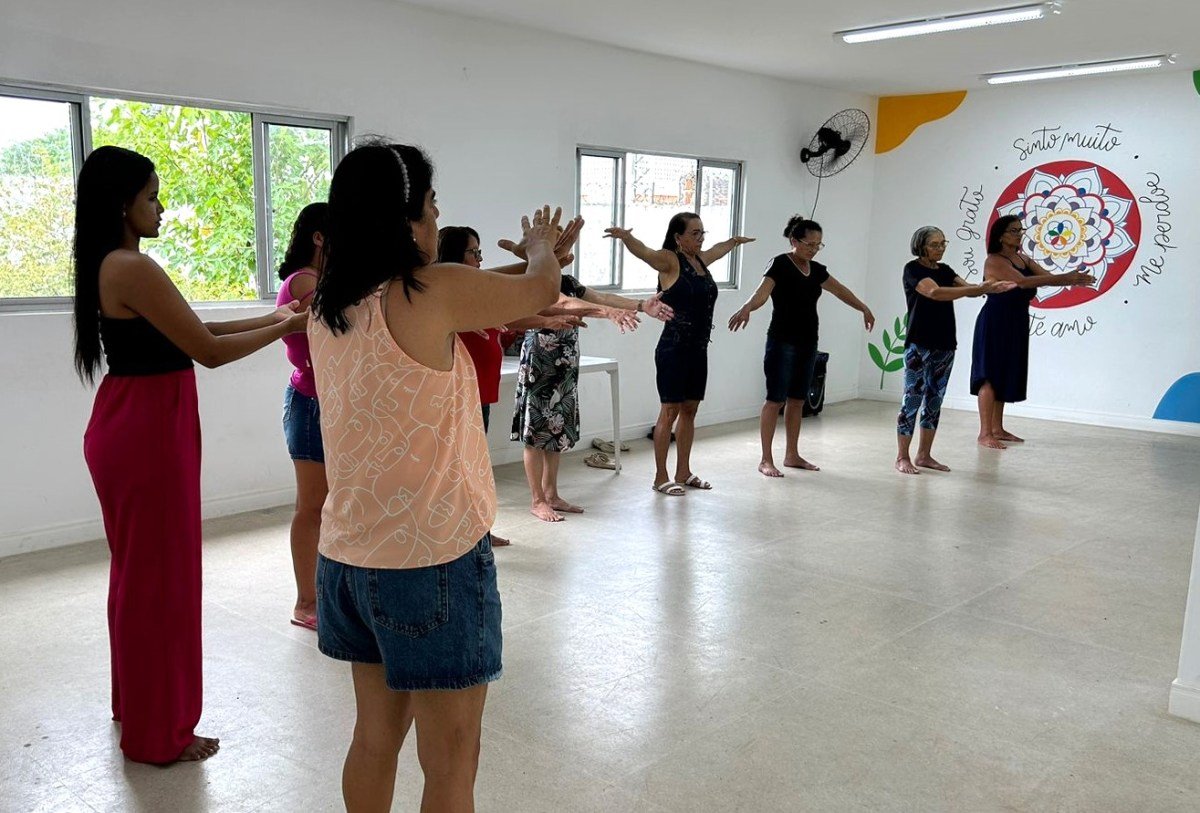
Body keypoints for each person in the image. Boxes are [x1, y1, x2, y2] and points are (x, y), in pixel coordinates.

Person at [308, 141, 580, 812]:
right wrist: (541, 248)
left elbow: (508, 298)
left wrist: (531, 265)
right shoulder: (429, 290)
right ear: (403, 220)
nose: (436, 221)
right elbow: (541, 288)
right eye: (431, 206)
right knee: (452, 762)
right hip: (429, 560)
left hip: (348, 558)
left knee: (375, 739)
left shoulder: (329, 304)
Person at [74, 146, 307, 764]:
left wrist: (274, 315)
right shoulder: (130, 266)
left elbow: (192, 330)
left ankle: (139, 709)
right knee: (159, 584)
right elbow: (207, 350)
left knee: (140, 578)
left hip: (139, 423)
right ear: (123, 202)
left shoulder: (120, 264)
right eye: (152, 195)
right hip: (146, 432)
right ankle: (158, 733)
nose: (161, 207)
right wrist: (285, 328)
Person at [436, 225, 588, 539]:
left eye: (480, 253)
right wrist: (541, 257)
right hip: (460, 392)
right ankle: (469, 532)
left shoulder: (476, 290)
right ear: (454, 255)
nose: (479, 259)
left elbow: (508, 315)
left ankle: (478, 529)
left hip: (481, 392)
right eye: (472, 252)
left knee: (475, 462)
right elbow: (513, 302)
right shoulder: (453, 290)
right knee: (460, 465)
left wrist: (545, 314)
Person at [509, 265, 672, 522]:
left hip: (564, 362)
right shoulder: (534, 282)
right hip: (540, 362)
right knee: (535, 432)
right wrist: (608, 313)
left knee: (557, 428)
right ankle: (537, 500)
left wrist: (641, 304)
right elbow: (565, 304)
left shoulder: (568, 281)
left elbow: (602, 297)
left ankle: (551, 494)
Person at [605, 214, 752, 495]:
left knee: (690, 410)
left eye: (702, 233)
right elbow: (646, 253)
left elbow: (716, 250)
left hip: (698, 349)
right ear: (678, 237)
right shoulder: (670, 261)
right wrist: (627, 238)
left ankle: (683, 471)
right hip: (673, 347)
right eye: (695, 233)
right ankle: (661, 476)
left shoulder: (700, 261)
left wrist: (733, 241)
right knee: (669, 411)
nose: (701, 238)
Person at [728, 216, 873, 477]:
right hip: (782, 341)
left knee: (797, 400)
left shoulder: (817, 270)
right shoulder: (780, 264)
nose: (814, 249)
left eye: (818, 245)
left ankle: (792, 455)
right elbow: (762, 293)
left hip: (808, 341)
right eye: (809, 244)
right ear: (794, 241)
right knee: (775, 400)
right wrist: (747, 307)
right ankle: (765, 459)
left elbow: (840, 291)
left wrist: (863, 307)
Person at [893, 226, 1015, 475]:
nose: (941, 248)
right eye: (935, 244)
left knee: (934, 401)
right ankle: (902, 457)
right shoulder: (913, 269)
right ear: (921, 246)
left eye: (943, 243)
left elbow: (969, 288)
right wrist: (979, 289)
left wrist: (989, 286)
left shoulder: (945, 270)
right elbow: (935, 293)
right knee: (912, 400)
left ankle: (924, 455)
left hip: (946, 344)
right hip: (919, 344)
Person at [971, 215, 1095, 449]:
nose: (1019, 234)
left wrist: (1071, 279)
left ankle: (997, 428)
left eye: (1020, 230)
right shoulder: (994, 261)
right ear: (1000, 235)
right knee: (989, 373)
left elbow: (1043, 277)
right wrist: (1066, 277)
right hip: (995, 321)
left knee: (1005, 372)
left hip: (1015, 321)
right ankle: (985, 432)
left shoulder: (1023, 258)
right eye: (1013, 230)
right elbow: (1023, 282)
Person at [277, 202, 328, 629]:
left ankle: (321, 596)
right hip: (310, 404)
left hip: (326, 404)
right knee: (312, 507)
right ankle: (306, 603)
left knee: (326, 507)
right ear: (318, 236)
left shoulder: (321, 280)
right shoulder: (304, 281)